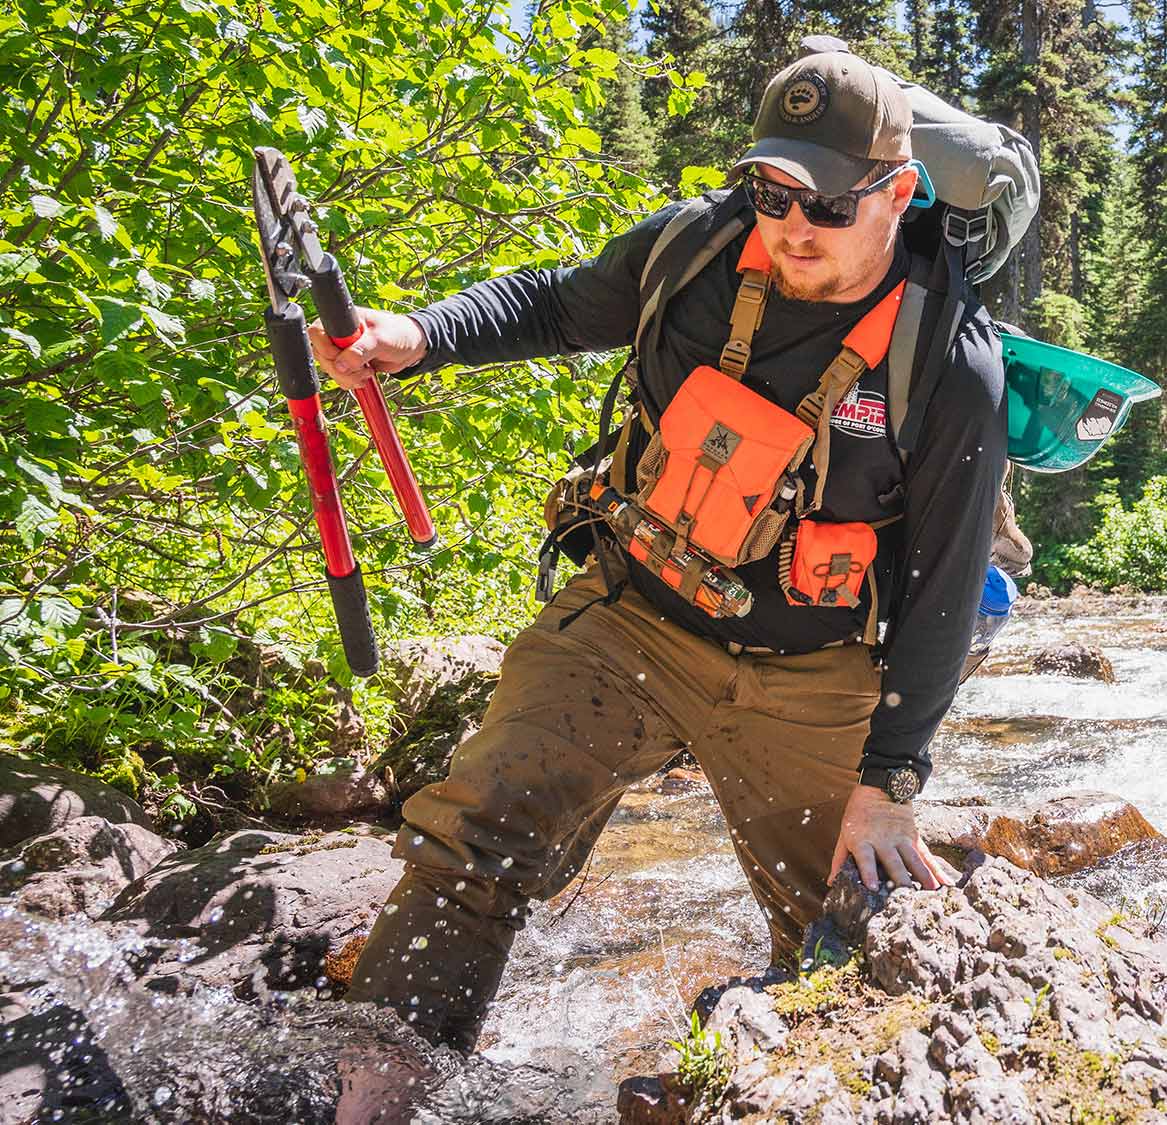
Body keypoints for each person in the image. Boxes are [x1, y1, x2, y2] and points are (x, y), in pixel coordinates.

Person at [307, 45, 1007, 1054]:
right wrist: (418, 334)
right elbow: (553, 303)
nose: (790, 226)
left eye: (825, 205)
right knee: (468, 841)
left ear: (895, 194)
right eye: (770, 192)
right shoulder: (693, 252)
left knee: (849, 946)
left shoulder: (948, 361)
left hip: (808, 673)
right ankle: (373, 1090)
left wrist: (890, 784)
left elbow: (943, 589)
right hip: (629, 621)